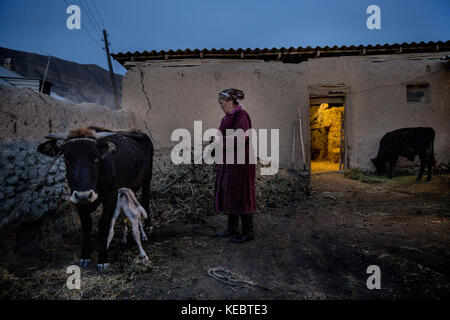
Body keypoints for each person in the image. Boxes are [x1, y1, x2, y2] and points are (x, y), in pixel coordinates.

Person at [212, 88, 256, 243]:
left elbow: (240, 138)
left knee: (242, 195)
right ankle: (232, 229)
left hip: (241, 164)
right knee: (229, 193)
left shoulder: (241, 116)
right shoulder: (225, 119)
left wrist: (219, 143)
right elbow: (219, 136)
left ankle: (248, 232)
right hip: (228, 163)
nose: (220, 106)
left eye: (222, 102)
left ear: (231, 101)